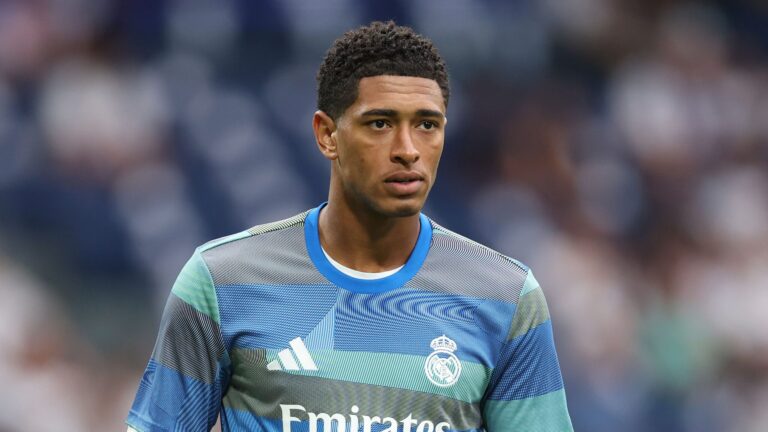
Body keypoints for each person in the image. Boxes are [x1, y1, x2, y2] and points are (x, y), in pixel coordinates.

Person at [126, 21, 573, 432]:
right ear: (327, 135)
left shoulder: (506, 296)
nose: (407, 150)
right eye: (380, 123)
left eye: (426, 125)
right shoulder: (222, 282)